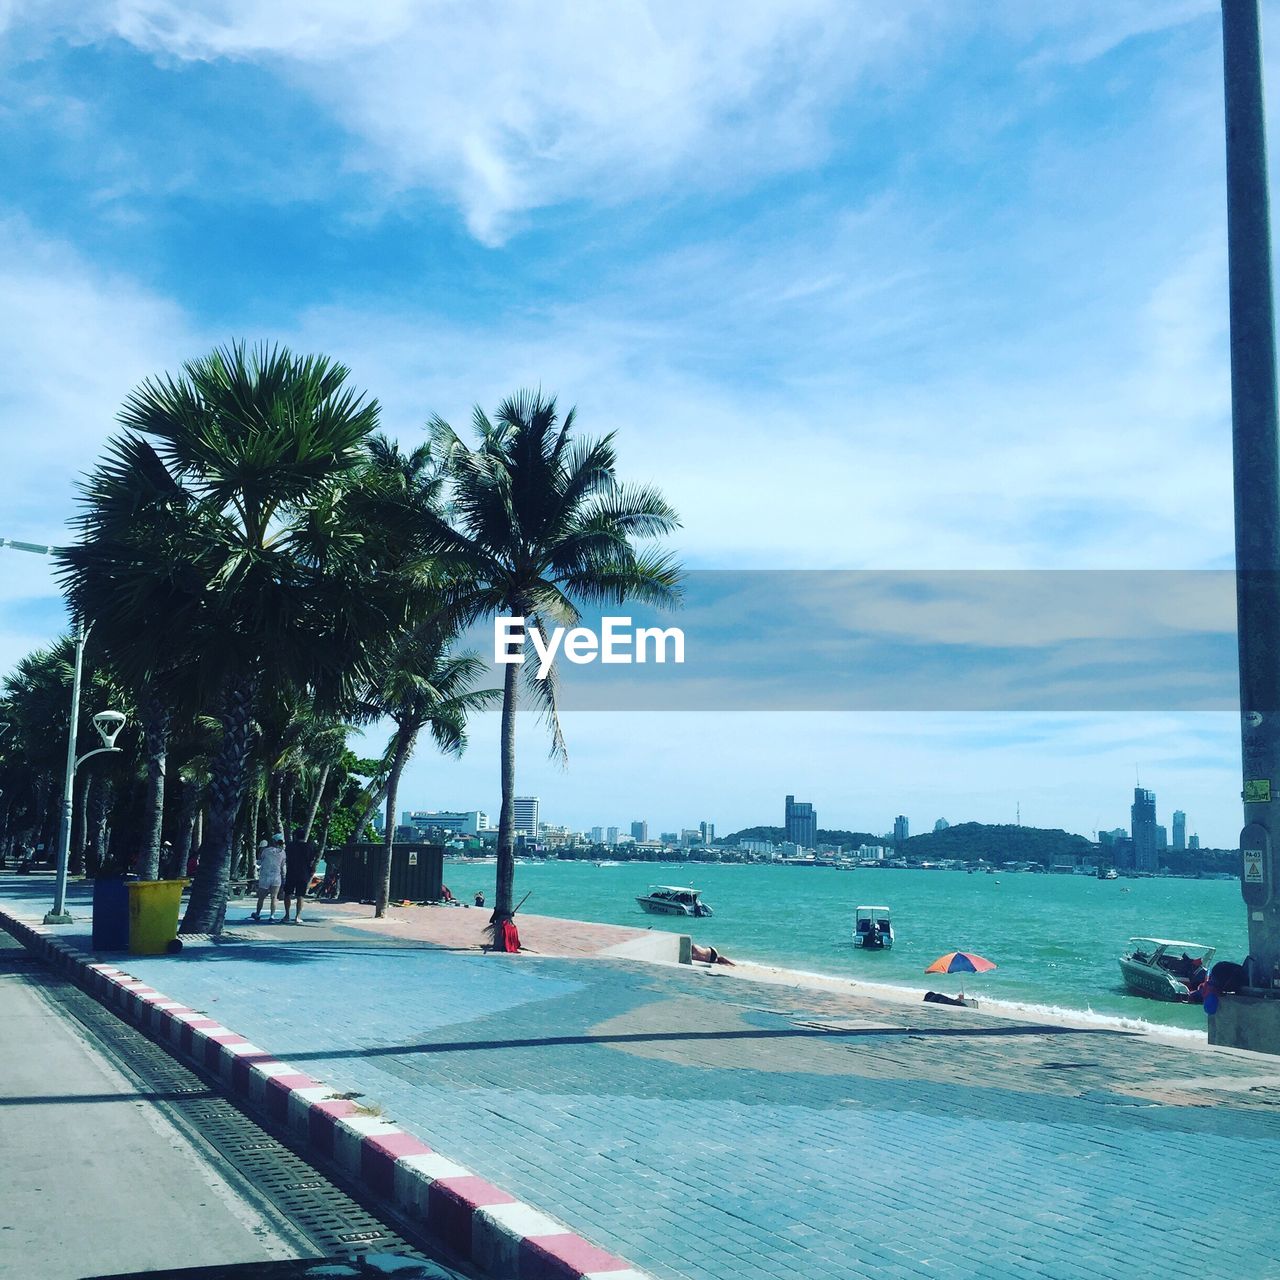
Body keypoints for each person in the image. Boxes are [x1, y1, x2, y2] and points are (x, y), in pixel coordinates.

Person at [282, 826, 318, 924]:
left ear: (295, 836)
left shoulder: (290, 846)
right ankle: (297, 916)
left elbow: (287, 858)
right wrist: (312, 870)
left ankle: (287, 915)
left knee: (287, 895)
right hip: (303, 874)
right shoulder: (309, 846)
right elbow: (312, 860)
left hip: (291, 873)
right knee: (300, 896)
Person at [252, 835, 285, 922]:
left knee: (261, 897)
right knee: (274, 897)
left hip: (265, 876)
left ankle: (258, 913)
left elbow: (261, 860)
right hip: (276, 876)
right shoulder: (283, 853)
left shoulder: (266, 851)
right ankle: (272, 916)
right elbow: (282, 865)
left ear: (274, 841)